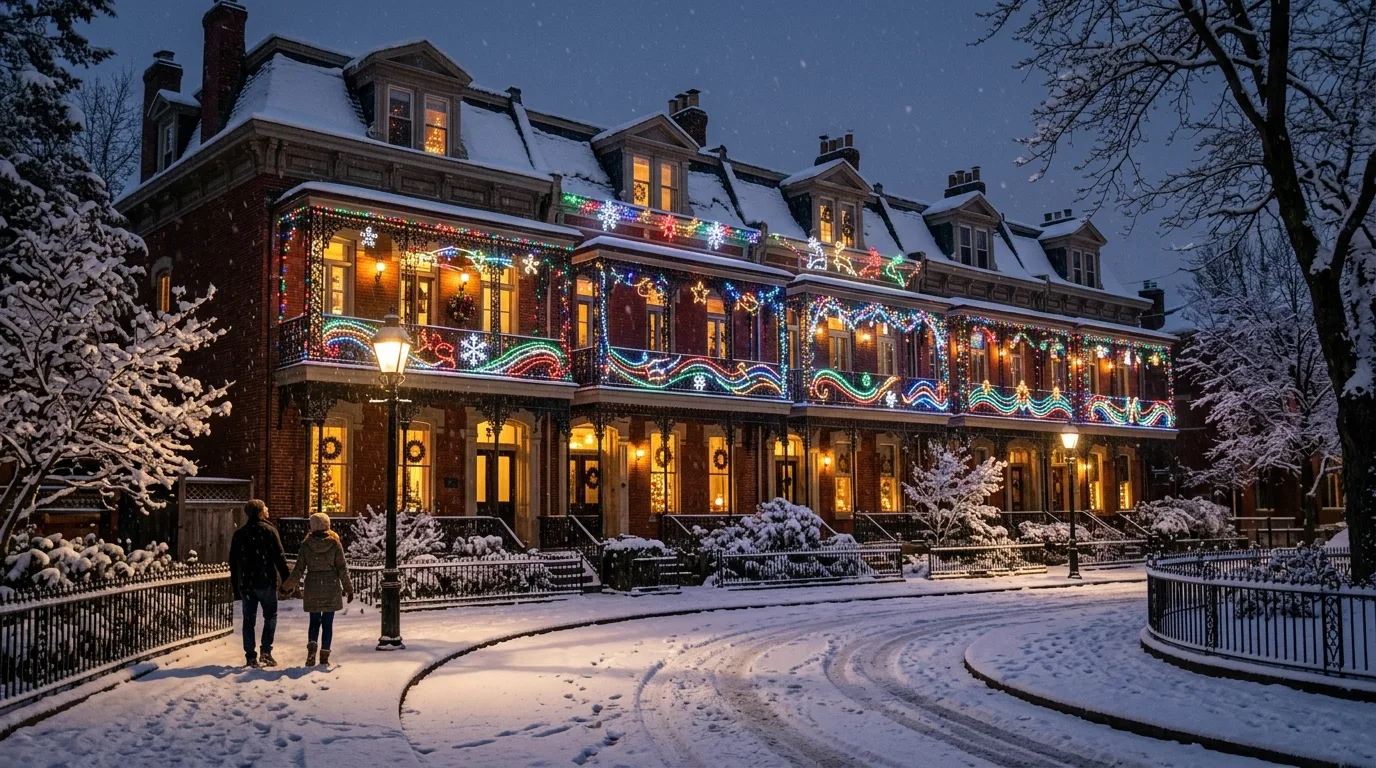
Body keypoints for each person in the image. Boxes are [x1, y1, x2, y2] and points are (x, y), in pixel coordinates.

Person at [283, 512, 353, 666]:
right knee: (328, 623)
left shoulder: (306, 545)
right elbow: (342, 568)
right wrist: (348, 588)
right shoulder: (334, 543)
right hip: (331, 585)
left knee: (314, 621)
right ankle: (324, 655)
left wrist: (286, 586)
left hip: (313, 584)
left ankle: (312, 645)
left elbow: (299, 569)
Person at [228, 499, 290, 667]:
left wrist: (236, 587)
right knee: (270, 616)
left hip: (247, 583)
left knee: (249, 619)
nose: (267, 511)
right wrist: (287, 581)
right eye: (265, 509)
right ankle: (266, 651)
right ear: (261, 512)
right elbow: (280, 557)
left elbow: (233, 563)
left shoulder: (240, 534)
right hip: (266, 581)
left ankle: (250, 655)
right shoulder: (269, 531)